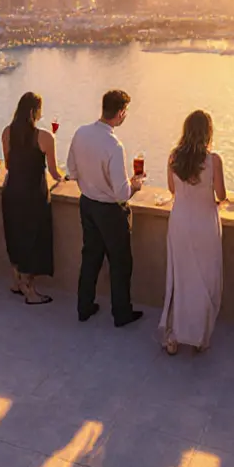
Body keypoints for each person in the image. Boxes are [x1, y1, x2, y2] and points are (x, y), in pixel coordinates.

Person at [66, 90, 144, 325]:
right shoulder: (114, 146)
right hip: (110, 212)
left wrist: (91, 185)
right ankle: (121, 313)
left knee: (90, 258)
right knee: (120, 263)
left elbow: (72, 171)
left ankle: (84, 307)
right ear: (120, 113)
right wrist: (135, 186)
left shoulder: (80, 133)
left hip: (87, 204)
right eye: (125, 112)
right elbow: (121, 193)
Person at [159, 110, 227, 355]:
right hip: (204, 224)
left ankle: (174, 336)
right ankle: (199, 336)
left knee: (180, 277)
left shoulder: (173, 157)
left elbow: (172, 189)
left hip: (180, 222)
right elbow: (221, 194)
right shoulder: (213, 160)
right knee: (204, 279)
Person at [1, 92, 62, 305]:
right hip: (33, 194)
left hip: (11, 190)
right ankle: (30, 291)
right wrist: (67, 177)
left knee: (15, 235)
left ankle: (16, 282)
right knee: (33, 239)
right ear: (36, 111)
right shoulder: (45, 137)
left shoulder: (7, 132)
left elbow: (8, 164)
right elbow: (54, 172)